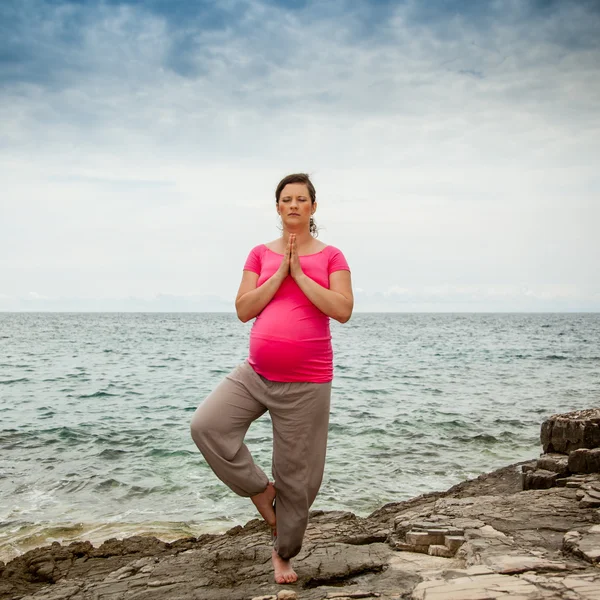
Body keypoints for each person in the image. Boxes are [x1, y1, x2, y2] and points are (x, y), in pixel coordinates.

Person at [190, 173, 353, 584]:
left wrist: (300, 275)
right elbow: (244, 309)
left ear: (313, 207)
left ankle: (283, 553)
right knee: (207, 426)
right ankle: (262, 490)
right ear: (278, 207)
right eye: (287, 199)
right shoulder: (259, 254)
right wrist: (280, 273)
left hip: (308, 382)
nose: (294, 204)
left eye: (302, 199)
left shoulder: (332, 256)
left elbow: (343, 309)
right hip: (256, 373)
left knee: (299, 481)